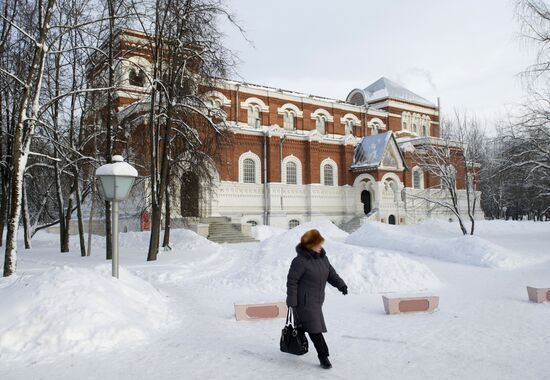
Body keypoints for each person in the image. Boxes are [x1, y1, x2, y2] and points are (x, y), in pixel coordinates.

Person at [285, 229, 348, 369]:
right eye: (318, 243)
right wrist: (292, 303)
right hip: (304, 301)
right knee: (315, 329)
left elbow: (331, 274)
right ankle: (323, 356)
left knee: (306, 326)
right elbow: (292, 281)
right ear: (310, 245)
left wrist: (341, 285)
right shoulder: (300, 261)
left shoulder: (322, 258)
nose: (321, 246)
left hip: (317, 300)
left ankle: (298, 344)